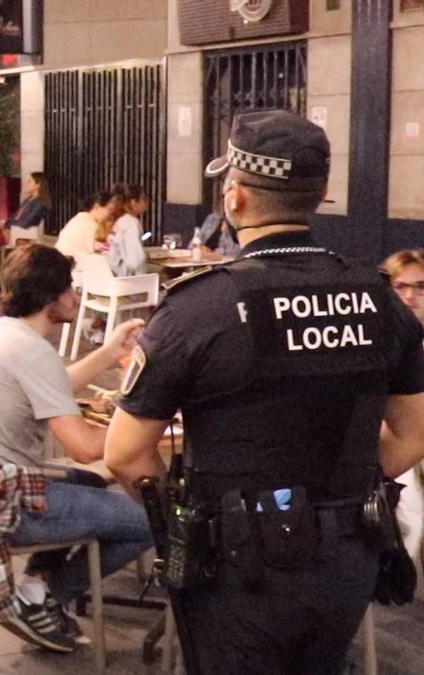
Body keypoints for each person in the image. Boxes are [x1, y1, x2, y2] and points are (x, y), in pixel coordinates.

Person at [105, 111, 424, 675]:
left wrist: (187, 518)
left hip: (238, 561)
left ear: (235, 198)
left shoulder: (198, 308)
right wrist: (342, 487)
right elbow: (414, 432)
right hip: (348, 554)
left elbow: (126, 454)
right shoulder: (380, 301)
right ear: (321, 195)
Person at [0, 244, 151, 652]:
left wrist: (109, 353)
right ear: (50, 298)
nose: (75, 297)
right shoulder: (32, 351)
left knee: (90, 484)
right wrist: (144, 421)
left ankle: (38, 582)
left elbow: (51, 386)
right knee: (152, 521)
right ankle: (47, 595)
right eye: (69, 289)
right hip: (11, 509)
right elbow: (84, 447)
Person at [385, 249, 424, 578]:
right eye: (401, 287)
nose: (411, 296)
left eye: (421, 287)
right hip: (400, 448)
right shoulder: (380, 347)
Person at [54, 190, 120, 258]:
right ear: (97, 207)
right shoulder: (89, 225)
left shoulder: (81, 218)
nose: (111, 215)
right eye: (110, 210)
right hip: (69, 260)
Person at [107, 184, 150, 277]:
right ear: (133, 202)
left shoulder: (118, 220)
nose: (146, 204)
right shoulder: (131, 223)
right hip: (126, 278)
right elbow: (136, 260)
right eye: (143, 199)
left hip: (112, 274)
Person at [5, 171, 51, 237]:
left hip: (24, 231)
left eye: (29, 181)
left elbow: (25, 222)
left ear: (37, 185)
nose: (26, 184)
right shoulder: (28, 200)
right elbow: (16, 215)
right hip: (15, 228)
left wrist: (8, 224)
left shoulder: (40, 204)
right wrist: (7, 223)